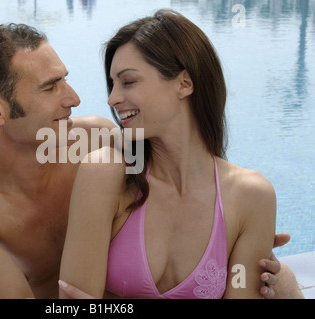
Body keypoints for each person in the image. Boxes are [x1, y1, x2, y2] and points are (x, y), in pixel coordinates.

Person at [0, 23, 300, 299]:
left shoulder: (96, 138)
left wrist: (237, 233)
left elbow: (183, 162)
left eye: (65, 80)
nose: (74, 98)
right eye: (50, 87)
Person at [59, 9, 304, 299]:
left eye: (128, 81)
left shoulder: (251, 197)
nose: (112, 98)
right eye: (112, 84)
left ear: (184, 83)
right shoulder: (104, 173)